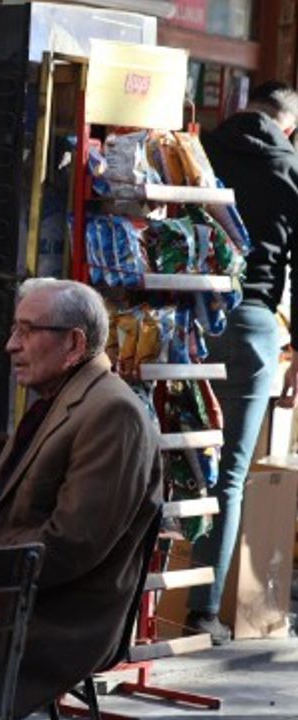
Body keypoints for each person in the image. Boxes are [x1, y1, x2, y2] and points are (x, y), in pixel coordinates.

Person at [0, 278, 161, 716]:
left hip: (61, 618)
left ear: (74, 343)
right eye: (14, 329)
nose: (11, 345)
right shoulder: (60, 398)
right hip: (17, 593)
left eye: (27, 330)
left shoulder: (113, 412)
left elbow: (70, 544)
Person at [190, 80, 298, 645]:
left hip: (190, 317)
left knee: (171, 459)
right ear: (290, 126)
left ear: (244, 107)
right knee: (228, 474)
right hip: (253, 322)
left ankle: (137, 598)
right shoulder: (291, 169)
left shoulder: (201, 148)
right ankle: (202, 612)